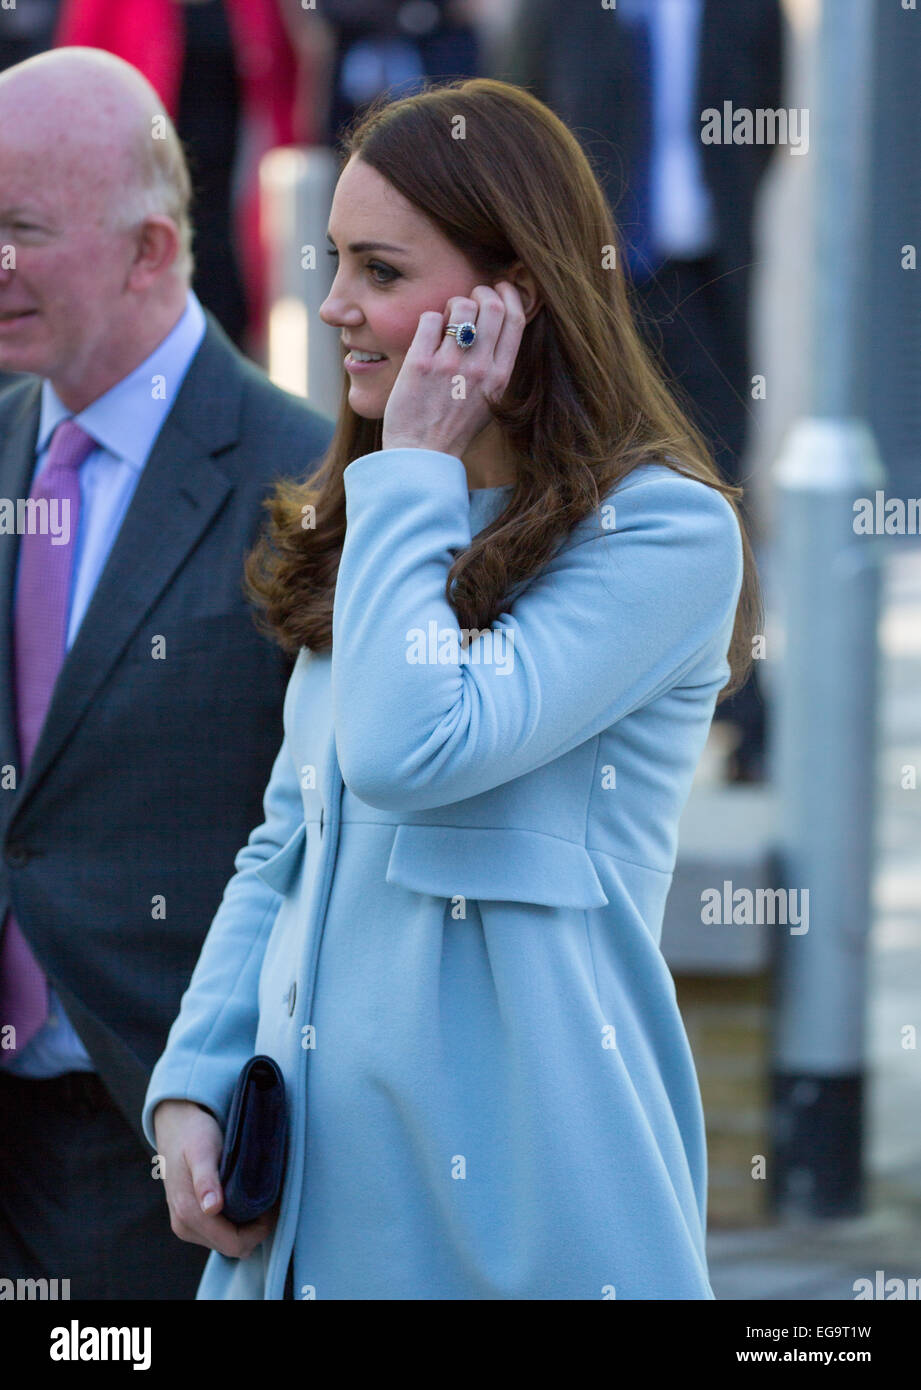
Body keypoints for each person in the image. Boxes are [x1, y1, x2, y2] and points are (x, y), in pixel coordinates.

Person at [146, 76, 762, 1300]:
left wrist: (414, 469)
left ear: (509, 302)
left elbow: (408, 747)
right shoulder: (371, 525)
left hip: (530, 1223)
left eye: (379, 270)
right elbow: (287, 840)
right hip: (309, 1215)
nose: (333, 308)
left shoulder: (664, 539)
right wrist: (193, 1083)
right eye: (335, 263)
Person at [0, 47, 333, 1299]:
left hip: (160, 1156)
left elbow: (317, 841)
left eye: (21, 230)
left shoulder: (305, 488)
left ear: (149, 250)